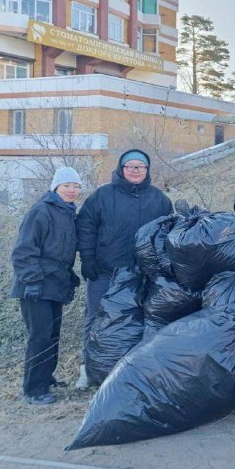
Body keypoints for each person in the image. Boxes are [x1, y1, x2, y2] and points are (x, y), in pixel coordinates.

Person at [76, 149, 172, 388]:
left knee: (139, 321)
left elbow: (169, 234)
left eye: (141, 166)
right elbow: (85, 227)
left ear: (147, 170)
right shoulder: (102, 196)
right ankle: (87, 370)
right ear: (121, 169)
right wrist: (87, 258)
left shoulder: (159, 199)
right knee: (96, 317)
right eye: (130, 166)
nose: (136, 170)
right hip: (105, 271)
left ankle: (132, 372)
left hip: (142, 275)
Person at [11, 167, 82, 405]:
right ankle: (33, 390)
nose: (71, 190)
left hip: (55, 285)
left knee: (52, 335)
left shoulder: (68, 213)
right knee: (39, 337)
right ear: (55, 187)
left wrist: (69, 276)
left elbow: (61, 253)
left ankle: (46, 377)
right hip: (35, 287)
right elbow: (23, 252)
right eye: (66, 186)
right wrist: (31, 281)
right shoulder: (41, 211)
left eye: (76, 186)